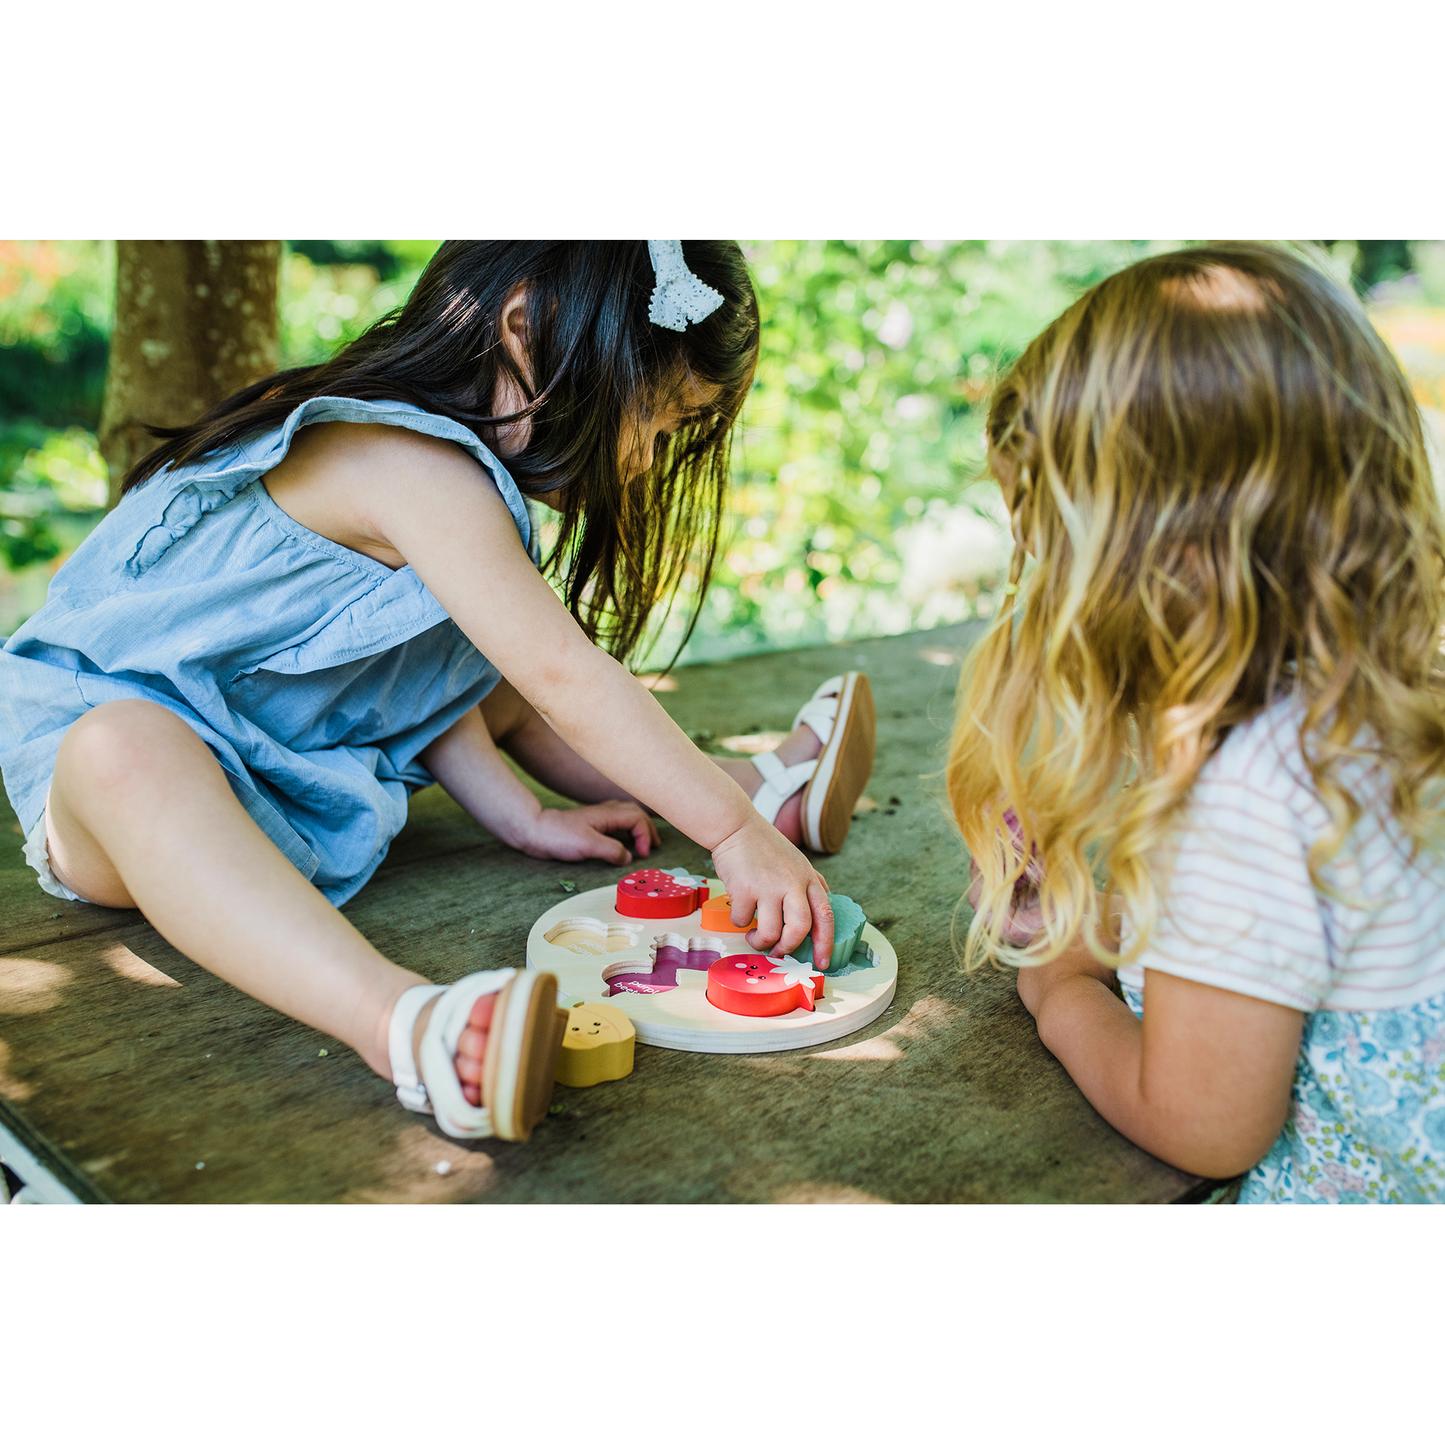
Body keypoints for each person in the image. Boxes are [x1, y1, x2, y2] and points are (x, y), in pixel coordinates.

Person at [0, 241, 876, 1143]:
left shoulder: (460, 478)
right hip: (122, 806)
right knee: (123, 745)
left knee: (498, 669)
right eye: (652, 422)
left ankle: (773, 790)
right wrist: (725, 830)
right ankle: (406, 1027)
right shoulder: (401, 459)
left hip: (284, 763)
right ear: (525, 329)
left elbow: (409, 668)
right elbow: (566, 678)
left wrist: (515, 813)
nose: (647, 461)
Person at [949, 242, 1445, 1203]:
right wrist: (1106, 928)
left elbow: (1201, 1122)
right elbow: (1301, 942)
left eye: (1046, 548)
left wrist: (1061, 994)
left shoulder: (1245, 795)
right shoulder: (1376, 712)